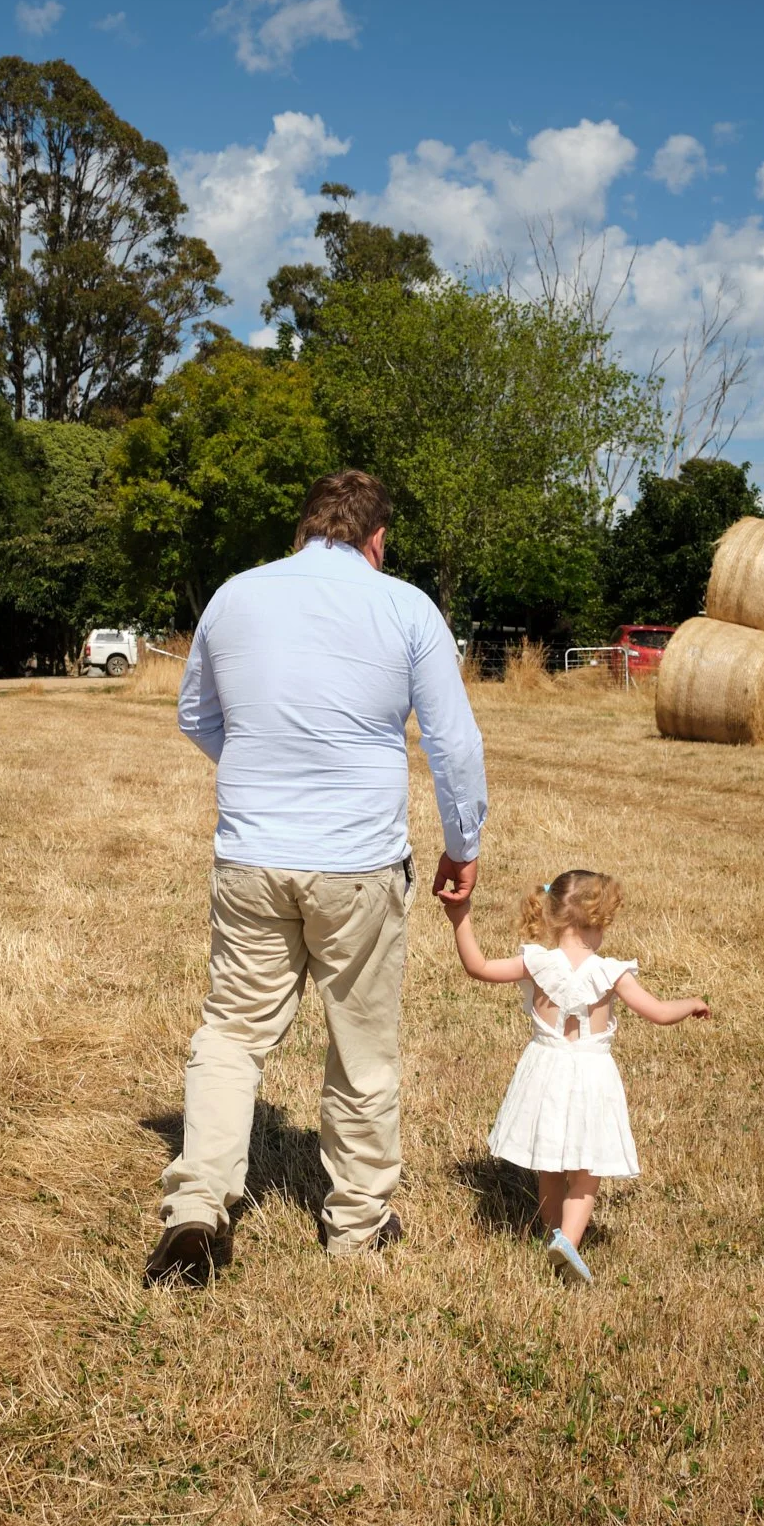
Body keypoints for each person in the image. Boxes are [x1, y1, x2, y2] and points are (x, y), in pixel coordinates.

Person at [146, 470, 487, 1287]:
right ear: (377, 539)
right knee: (363, 1049)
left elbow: (197, 715)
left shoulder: (234, 596)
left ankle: (196, 1212)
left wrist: (265, 772)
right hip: (359, 864)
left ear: (306, 528)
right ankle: (356, 1227)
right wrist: (463, 845)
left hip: (251, 858)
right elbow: (454, 745)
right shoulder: (405, 606)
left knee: (232, 1031)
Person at [444, 869, 709, 1285]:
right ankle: (568, 1242)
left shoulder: (536, 962)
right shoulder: (611, 972)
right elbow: (657, 1012)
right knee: (587, 1168)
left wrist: (460, 915)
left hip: (544, 1069)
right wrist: (691, 1003)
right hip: (591, 1073)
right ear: (598, 921)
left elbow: (477, 967)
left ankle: (552, 1235)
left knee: (549, 1164)